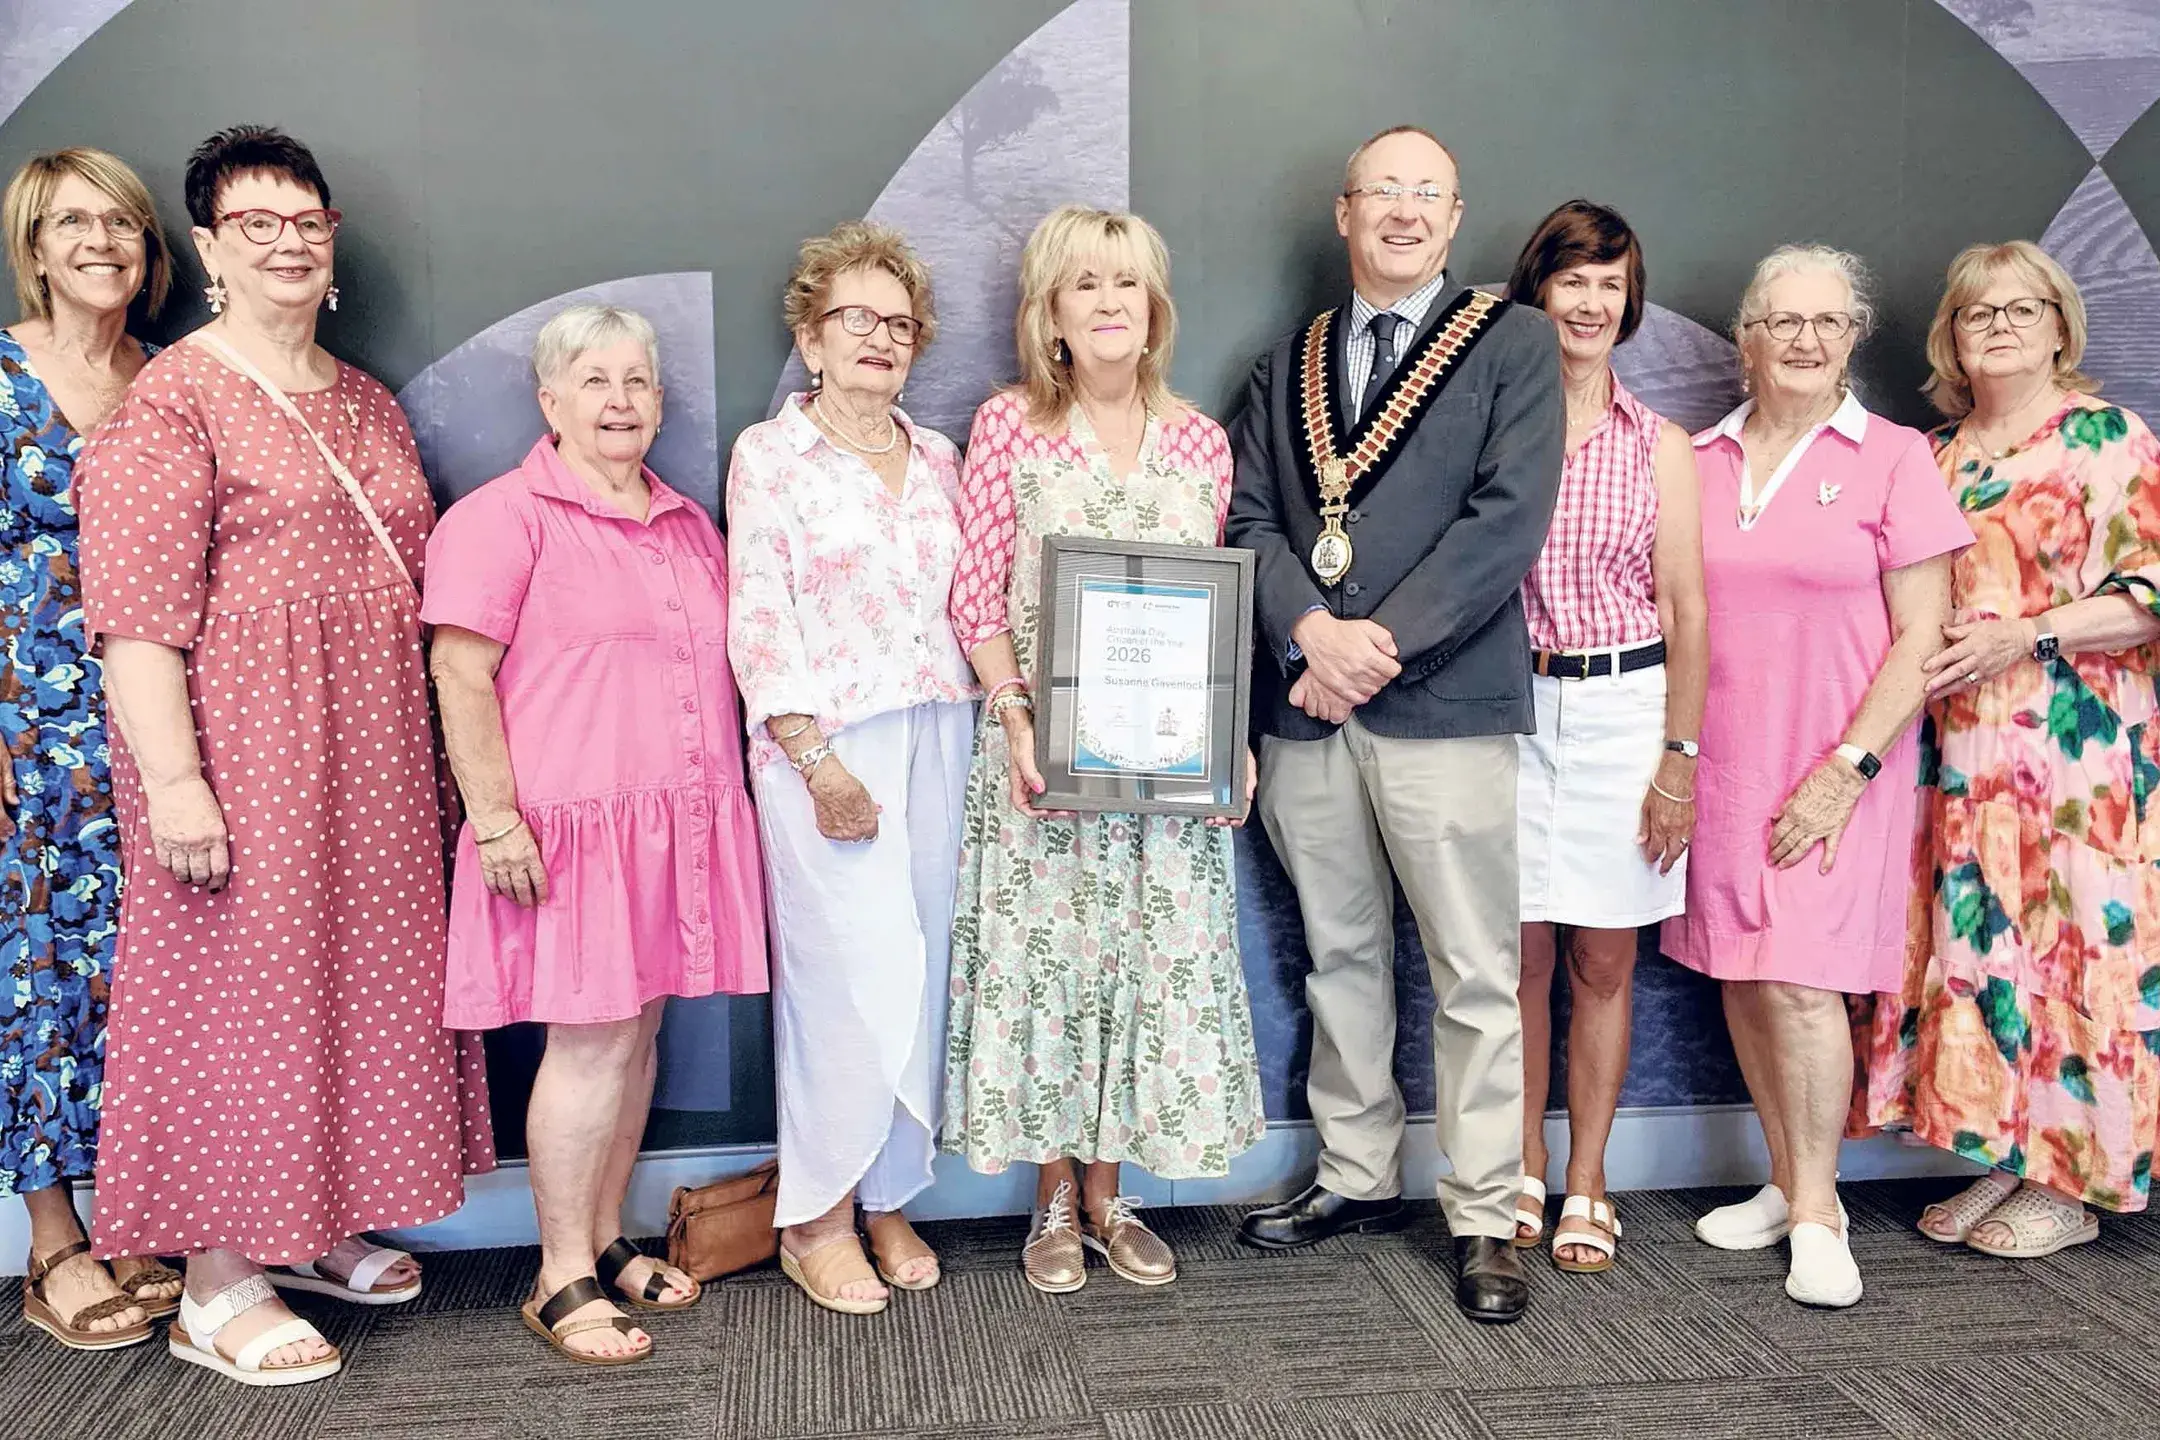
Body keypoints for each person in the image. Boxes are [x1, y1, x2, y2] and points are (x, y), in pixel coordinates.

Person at [77, 125, 493, 1387]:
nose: (291, 241)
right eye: (257, 223)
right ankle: (212, 1281)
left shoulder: (360, 395)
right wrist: (177, 783)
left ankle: (304, 1230)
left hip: (370, 749)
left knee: (350, 989)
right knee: (232, 1000)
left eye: (308, 220)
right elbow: (137, 618)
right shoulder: (177, 397)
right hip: (247, 750)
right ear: (206, 248)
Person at [1225, 125, 1563, 1325]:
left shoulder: (1515, 345)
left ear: (1456, 216)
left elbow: (1504, 522)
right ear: (1345, 212)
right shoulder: (1289, 364)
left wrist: (1372, 647)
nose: (1405, 213)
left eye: (1428, 194)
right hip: (1310, 706)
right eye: (1385, 193)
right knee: (1342, 958)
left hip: (1442, 701)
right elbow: (1254, 521)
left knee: (1474, 972)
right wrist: (1310, 636)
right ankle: (1359, 1175)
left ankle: (1483, 1213)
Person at [428, 303, 765, 1362]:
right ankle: (559, 1274)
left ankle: (609, 1236)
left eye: (637, 381)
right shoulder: (502, 517)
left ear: (661, 401)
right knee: (586, 1046)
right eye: (594, 381)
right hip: (565, 837)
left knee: (638, 1036)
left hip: (677, 831)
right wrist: (494, 823)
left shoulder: (689, 524)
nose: (620, 402)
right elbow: (458, 672)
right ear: (550, 400)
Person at [944, 203, 1264, 1294]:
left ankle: (1109, 1196)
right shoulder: (1009, 430)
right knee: (1052, 971)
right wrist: (1016, 718)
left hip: (1168, 774)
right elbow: (975, 599)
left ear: (1155, 306)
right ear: (1051, 313)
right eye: (1086, 284)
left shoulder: (1201, 443)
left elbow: (1219, 620)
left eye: (1127, 282)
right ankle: (1045, 1201)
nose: (1111, 302)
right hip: (1044, 766)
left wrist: (1234, 744)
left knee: (1141, 968)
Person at [1664, 244, 1970, 1310]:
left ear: (1854, 338)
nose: (1804, 340)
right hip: (1723, 759)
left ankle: (1820, 1213)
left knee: (1801, 981)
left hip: (1839, 757)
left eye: (1828, 323)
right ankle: (1786, 1176)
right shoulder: (1692, 459)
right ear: (1747, 336)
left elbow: (1923, 635)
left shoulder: (1893, 458)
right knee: (1745, 977)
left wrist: (1848, 766)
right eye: (1784, 321)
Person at [1856, 241, 2160, 1256]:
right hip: (1962, 750)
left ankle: (2077, 1185)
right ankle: (2013, 1152)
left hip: (2077, 755)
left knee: (2072, 944)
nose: (1999, 327)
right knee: (1985, 951)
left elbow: (2150, 593)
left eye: (2022, 310)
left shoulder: (2106, 439)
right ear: (1950, 335)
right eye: (1978, 312)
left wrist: (2025, 634)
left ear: (2061, 327)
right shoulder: (1937, 455)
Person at [727, 221, 974, 1315]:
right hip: (824, 744)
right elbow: (760, 619)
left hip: (940, 733)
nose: (880, 337)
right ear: (811, 337)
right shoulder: (769, 456)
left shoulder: (943, 459)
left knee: (917, 976)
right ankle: (815, 1219)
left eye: (899, 322)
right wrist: (817, 763)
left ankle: (888, 1196)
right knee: (841, 981)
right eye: (855, 319)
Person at [1501, 200, 1707, 1274]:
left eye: (1610, 284)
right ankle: (1522, 1172)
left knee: (1605, 959)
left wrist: (1679, 761)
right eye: (1573, 279)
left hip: (1627, 711)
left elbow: (1688, 614)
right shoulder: (1495, 423)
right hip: (1512, 714)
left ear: (1629, 305)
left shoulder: (1659, 442)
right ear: (1538, 289)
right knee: (1521, 956)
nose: (1590, 301)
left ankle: (1589, 1181)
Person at [1, 147, 183, 1350]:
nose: (102, 241)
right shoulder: (1, 373)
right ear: (36, 243)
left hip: (147, 718)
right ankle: (52, 1235)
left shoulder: (169, 379)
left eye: (121, 221)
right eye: (75, 222)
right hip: (28, 724)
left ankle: (129, 1209)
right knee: (35, 974)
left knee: (136, 969)